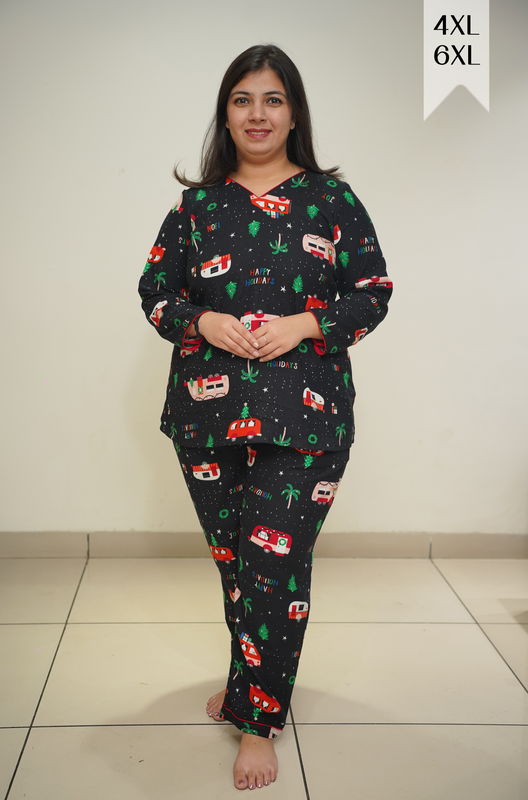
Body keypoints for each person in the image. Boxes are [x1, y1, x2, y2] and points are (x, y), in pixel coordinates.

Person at [139, 44, 392, 791]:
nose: (258, 114)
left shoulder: (332, 200)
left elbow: (373, 291)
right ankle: (248, 680)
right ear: (225, 114)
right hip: (207, 416)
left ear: (294, 113)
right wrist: (203, 321)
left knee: (272, 565)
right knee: (237, 564)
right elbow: (155, 292)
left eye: (273, 99)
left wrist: (306, 324)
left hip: (306, 419)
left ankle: (258, 722)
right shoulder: (194, 207)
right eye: (243, 99)